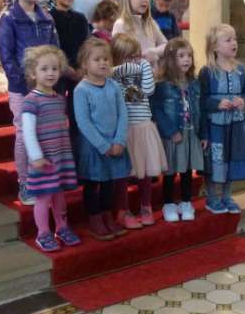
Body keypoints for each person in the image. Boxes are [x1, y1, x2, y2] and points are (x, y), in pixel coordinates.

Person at [0, 0, 60, 206]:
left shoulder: (46, 17)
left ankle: (45, 180)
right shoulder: (10, 18)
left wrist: (53, 77)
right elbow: (6, 54)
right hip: (22, 87)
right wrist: (22, 82)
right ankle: (25, 183)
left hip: (46, 86)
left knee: (44, 133)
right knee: (25, 135)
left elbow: (55, 49)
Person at [21, 45, 80, 252]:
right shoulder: (31, 101)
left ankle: (62, 227)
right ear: (32, 73)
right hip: (43, 161)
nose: (50, 73)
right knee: (43, 197)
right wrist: (36, 157)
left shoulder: (58, 99)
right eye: (44, 69)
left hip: (59, 157)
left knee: (59, 196)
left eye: (54, 68)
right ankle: (43, 233)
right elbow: (27, 132)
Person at [73, 38, 130, 240]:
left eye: (106, 59)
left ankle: (107, 215)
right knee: (92, 184)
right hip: (94, 147)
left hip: (115, 143)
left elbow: (123, 114)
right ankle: (95, 218)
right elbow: (83, 122)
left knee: (109, 183)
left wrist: (119, 140)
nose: (103, 63)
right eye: (97, 59)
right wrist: (103, 145)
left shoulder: (114, 86)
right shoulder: (81, 90)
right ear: (85, 64)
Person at [200, 23, 245, 214]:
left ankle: (226, 196)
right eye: (228, 40)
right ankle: (212, 197)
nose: (234, 43)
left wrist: (244, 100)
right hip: (216, 126)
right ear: (215, 47)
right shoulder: (207, 71)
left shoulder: (241, 69)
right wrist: (217, 103)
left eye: (235, 39)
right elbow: (201, 99)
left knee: (231, 160)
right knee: (215, 162)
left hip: (236, 124)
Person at [111, 33, 165, 229]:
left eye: (136, 56)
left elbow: (149, 90)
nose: (134, 61)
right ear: (117, 58)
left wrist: (143, 66)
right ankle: (122, 210)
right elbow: (121, 93)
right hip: (126, 130)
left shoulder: (142, 74)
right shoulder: (114, 78)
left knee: (144, 173)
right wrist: (134, 65)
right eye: (128, 57)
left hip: (143, 127)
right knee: (124, 174)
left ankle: (146, 207)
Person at [152, 38, 204, 222]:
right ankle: (168, 204)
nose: (186, 59)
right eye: (181, 56)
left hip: (190, 134)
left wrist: (202, 133)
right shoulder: (162, 85)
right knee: (170, 171)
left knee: (187, 170)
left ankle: (186, 202)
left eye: (189, 55)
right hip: (173, 135)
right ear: (169, 59)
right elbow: (157, 110)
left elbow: (200, 108)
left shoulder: (194, 83)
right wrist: (170, 130)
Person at [112, 0, 168, 65]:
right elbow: (117, 54)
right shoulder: (120, 24)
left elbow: (166, 45)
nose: (145, 0)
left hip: (152, 74)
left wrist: (154, 52)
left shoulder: (150, 23)